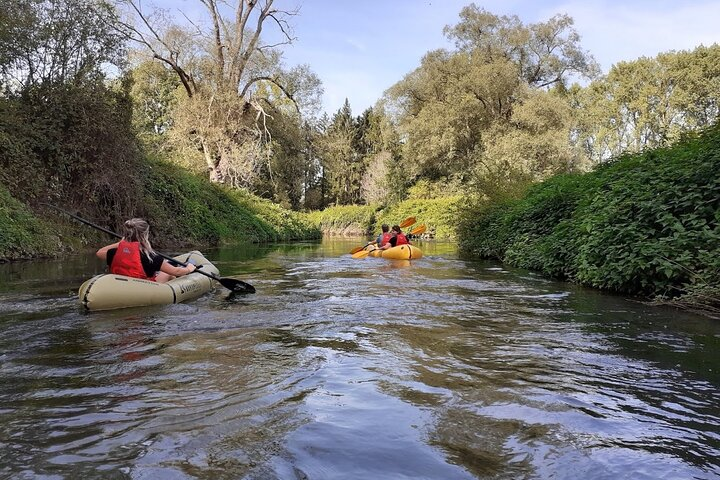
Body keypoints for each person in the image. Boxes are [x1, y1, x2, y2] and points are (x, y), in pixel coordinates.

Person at [96, 218, 196, 283]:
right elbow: (176, 271)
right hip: (144, 288)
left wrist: (121, 243)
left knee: (163, 267)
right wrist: (189, 269)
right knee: (168, 272)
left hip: (121, 284)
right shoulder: (151, 257)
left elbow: (99, 253)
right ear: (144, 235)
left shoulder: (113, 253)